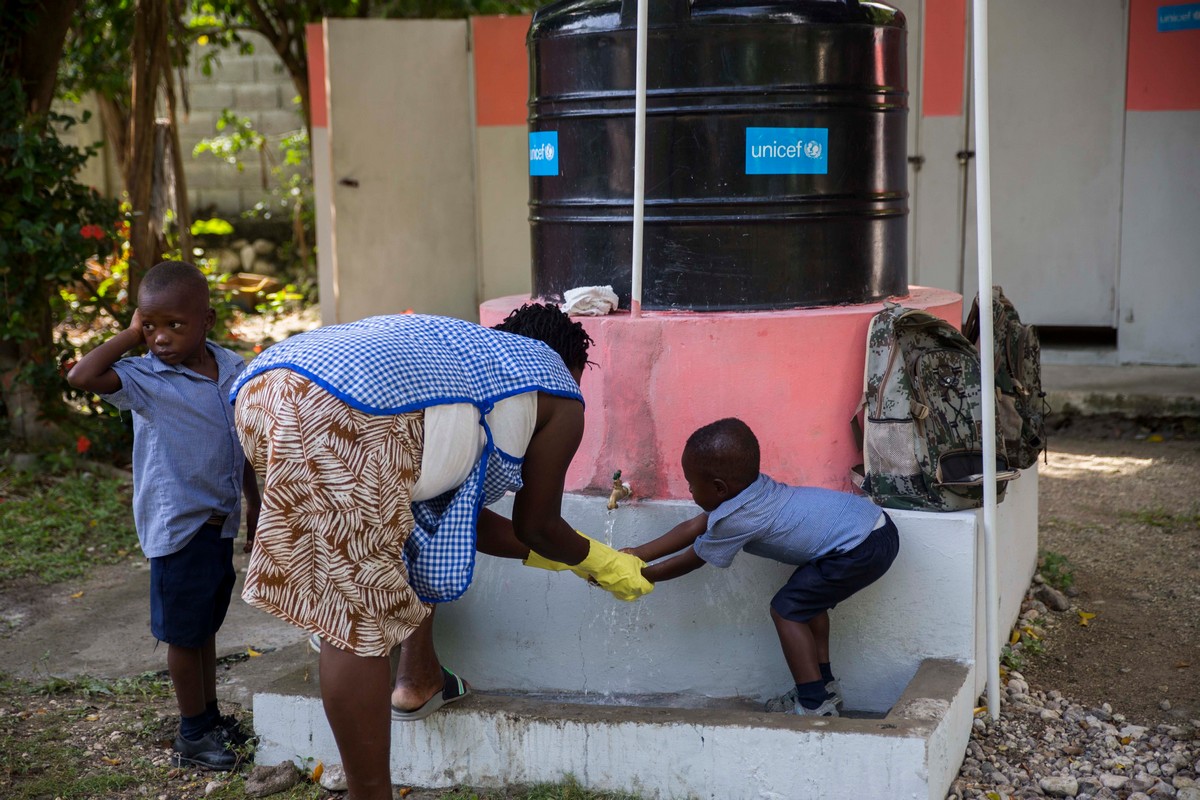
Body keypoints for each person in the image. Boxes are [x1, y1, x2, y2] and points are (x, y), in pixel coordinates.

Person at [230, 303, 652, 800]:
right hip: (344, 406)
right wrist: (601, 561)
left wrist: (569, 558)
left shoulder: (461, 364)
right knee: (355, 618)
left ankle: (420, 679)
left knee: (394, 541)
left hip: (262, 389)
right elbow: (537, 525)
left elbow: (459, 520)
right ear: (573, 367)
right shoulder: (558, 385)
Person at [66, 260, 261, 770]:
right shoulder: (144, 379)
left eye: (176, 324)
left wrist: (254, 502)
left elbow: (242, 443)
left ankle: (210, 716)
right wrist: (129, 334)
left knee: (205, 625)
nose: (161, 338)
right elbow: (82, 375)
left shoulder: (234, 370)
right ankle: (192, 733)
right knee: (182, 632)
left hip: (220, 520)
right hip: (179, 525)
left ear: (208, 320)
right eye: (150, 326)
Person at [624, 417, 899, 717]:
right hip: (872, 527)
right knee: (805, 604)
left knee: (787, 609)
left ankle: (813, 705)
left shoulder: (738, 519)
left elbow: (693, 558)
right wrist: (637, 554)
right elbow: (695, 525)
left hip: (860, 547)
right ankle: (823, 688)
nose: (689, 490)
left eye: (691, 483)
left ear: (719, 488)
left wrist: (639, 575)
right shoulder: (752, 489)